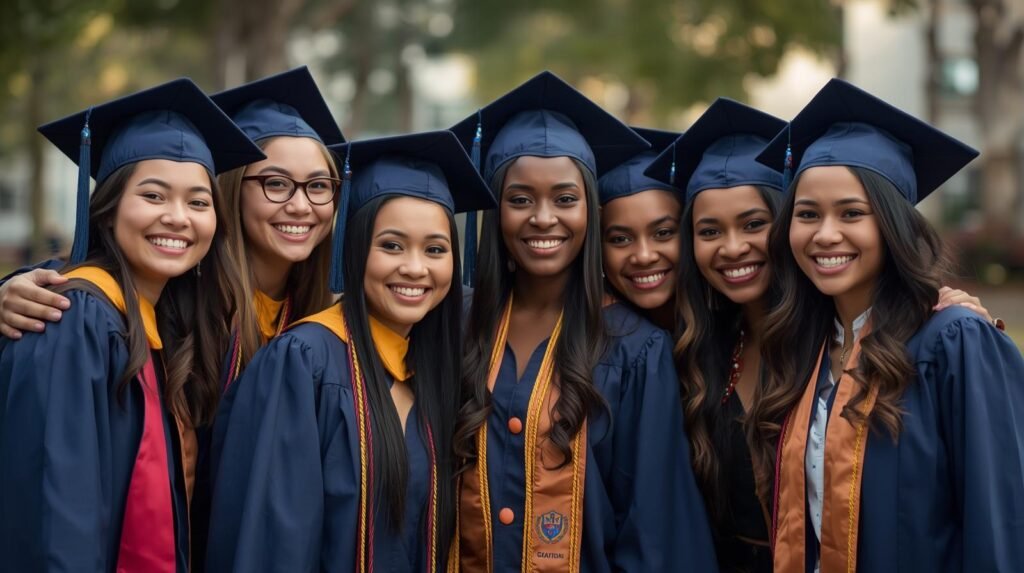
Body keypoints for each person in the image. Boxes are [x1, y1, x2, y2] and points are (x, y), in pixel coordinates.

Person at [449, 70, 717, 572]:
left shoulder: (636, 349)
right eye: (520, 199)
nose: (544, 218)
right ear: (495, 210)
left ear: (590, 213)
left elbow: (653, 528)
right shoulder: (455, 327)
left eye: (565, 199)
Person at [753, 78, 1024, 572]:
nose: (825, 234)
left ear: (894, 225)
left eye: (853, 213)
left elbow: (999, 524)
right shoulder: (805, 350)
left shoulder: (954, 341)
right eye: (807, 213)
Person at [0, 78, 264, 571]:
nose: (178, 217)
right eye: (154, 195)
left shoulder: (165, 322)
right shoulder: (71, 320)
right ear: (108, 208)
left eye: (199, 202)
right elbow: (55, 517)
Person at [204, 131, 495, 572]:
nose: (415, 268)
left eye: (436, 249)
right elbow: (270, 546)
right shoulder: (300, 363)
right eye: (391, 246)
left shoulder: (438, 367)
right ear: (354, 250)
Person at [597, 127, 682, 332]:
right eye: (620, 239)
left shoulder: (736, 334)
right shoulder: (589, 338)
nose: (644, 257)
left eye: (663, 233)